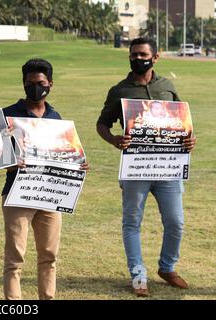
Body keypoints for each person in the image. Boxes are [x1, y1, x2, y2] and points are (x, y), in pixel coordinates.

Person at [96, 37, 197, 297]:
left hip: (168, 169)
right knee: (132, 222)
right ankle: (138, 273)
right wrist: (115, 140)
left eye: (142, 54)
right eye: (133, 55)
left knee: (176, 222)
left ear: (155, 56)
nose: (138, 59)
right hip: (136, 168)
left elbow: (180, 121)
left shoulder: (167, 86)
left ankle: (167, 267)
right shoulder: (119, 90)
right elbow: (102, 124)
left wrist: (189, 137)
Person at [1, 59, 89, 300]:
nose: (35, 88)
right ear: (23, 83)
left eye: (40, 83)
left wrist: (77, 165)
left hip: (50, 195)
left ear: (50, 83)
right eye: (30, 84)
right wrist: (9, 162)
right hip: (18, 193)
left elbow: (62, 152)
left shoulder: (56, 117)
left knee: (49, 256)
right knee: (14, 258)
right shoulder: (8, 115)